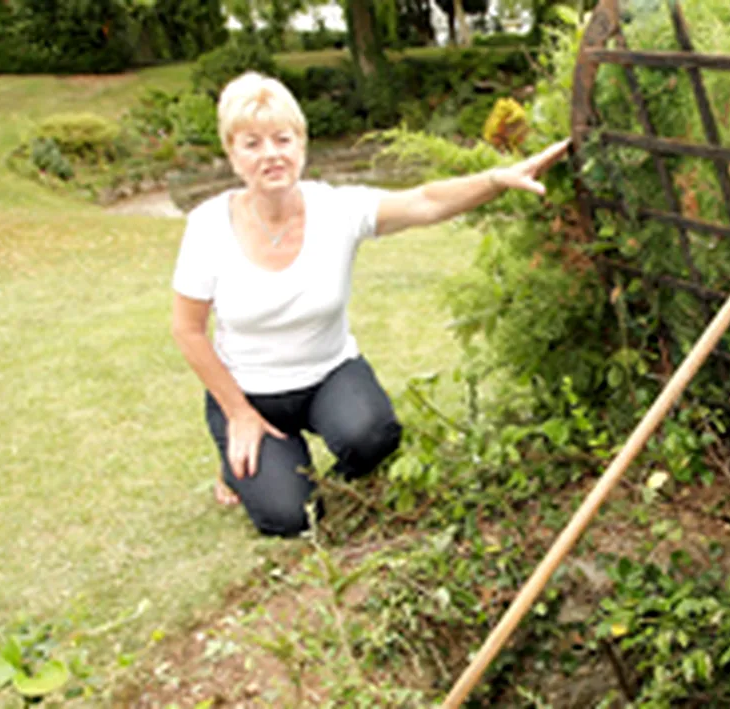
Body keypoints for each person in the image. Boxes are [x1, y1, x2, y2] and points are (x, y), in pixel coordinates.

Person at [171, 71, 568, 537]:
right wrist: (238, 413)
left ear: (301, 144)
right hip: (248, 392)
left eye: (283, 138)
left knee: (373, 437)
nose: (272, 154)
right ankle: (241, 465)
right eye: (252, 144)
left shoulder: (336, 210)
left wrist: (498, 178)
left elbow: (424, 202)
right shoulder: (207, 227)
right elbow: (187, 329)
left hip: (327, 376)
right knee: (288, 519)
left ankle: (290, 470)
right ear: (232, 155)